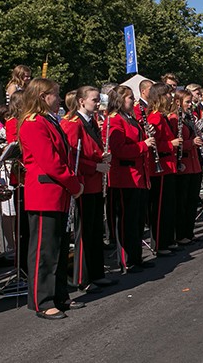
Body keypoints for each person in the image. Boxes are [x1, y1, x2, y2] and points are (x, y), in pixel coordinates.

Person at [19, 78, 85, 319]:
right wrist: (73, 183)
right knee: (44, 250)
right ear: (41, 97)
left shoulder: (50, 120)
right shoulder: (33, 123)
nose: (58, 99)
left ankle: (59, 295)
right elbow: (51, 162)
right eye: (54, 95)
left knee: (58, 247)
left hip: (58, 192)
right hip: (45, 192)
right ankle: (42, 300)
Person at [60, 86, 114, 293]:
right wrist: (95, 166)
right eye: (93, 100)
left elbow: (91, 150)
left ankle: (97, 273)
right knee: (84, 232)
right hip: (84, 183)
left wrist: (102, 156)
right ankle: (82, 277)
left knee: (95, 231)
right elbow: (72, 158)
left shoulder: (91, 121)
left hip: (95, 182)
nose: (97, 103)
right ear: (81, 101)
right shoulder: (73, 123)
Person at [105, 85, 155, 274]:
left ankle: (136, 257)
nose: (133, 101)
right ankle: (126, 260)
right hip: (125, 177)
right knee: (126, 221)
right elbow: (118, 150)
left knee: (137, 220)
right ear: (119, 100)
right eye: (129, 98)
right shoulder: (115, 120)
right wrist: (143, 145)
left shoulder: (130, 118)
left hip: (138, 175)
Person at [146, 83, 181, 255]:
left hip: (169, 165)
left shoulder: (163, 116)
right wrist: (170, 144)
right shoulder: (155, 117)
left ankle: (167, 239)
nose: (170, 97)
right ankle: (159, 243)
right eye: (167, 95)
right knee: (160, 208)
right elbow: (154, 144)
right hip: (161, 167)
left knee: (168, 206)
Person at [170, 90, 203, 244]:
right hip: (183, 163)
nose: (190, 105)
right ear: (178, 102)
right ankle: (181, 234)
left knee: (192, 201)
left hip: (194, 163)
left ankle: (189, 232)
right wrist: (192, 143)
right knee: (182, 202)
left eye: (191, 102)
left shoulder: (189, 117)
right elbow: (175, 142)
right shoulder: (174, 118)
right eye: (187, 102)